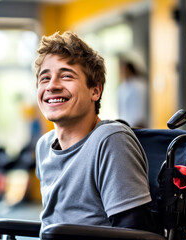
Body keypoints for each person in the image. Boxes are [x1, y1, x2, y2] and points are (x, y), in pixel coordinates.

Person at [34, 31, 156, 234]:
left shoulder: (110, 140)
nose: (52, 85)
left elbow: (135, 235)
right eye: (44, 78)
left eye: (66, 76)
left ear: (95, 91)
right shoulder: (44, 146)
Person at [117, 59, 148, 128]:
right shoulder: (122, 87)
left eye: (124, 70)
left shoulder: (139, 86)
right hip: (125, 124)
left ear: (129, 70)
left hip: (137, 123)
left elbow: (140, 107)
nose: (122, 73)